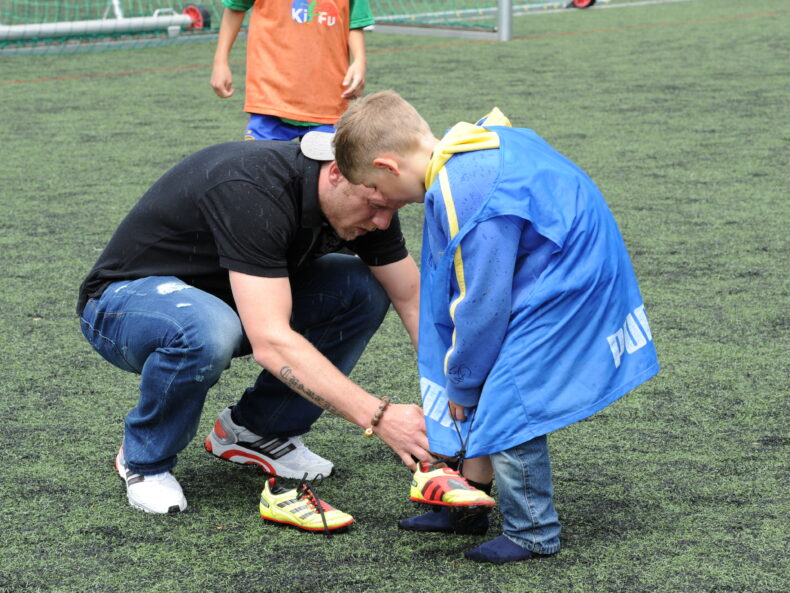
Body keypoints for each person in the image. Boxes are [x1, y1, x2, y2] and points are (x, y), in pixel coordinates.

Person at [331, 90, 660, 564]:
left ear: (387, 166)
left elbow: (480, 305)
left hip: (572, 279)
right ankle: (470, 503)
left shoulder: (464, 190)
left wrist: (462, 383)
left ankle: (533, 531)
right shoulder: (469, 147)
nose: (381, 210)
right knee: (489, 379)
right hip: (566, 260)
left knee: (509, 393)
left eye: (375, 192)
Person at [76, 135, 432, 516]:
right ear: (335, 174)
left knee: (362, 288)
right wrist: (380, 417)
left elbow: (410, 299)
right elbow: (271, 343)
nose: (382, 221)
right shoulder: (253, 187)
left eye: (393, 209)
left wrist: (453, 404)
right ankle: (143, 459)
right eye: (377, 206)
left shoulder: (370, 198)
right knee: (206, 328)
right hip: (123, 303)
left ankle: (258, 431)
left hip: (229, 298)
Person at [210, 0, 373, 140]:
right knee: (261, 171)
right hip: (270, 97)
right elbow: (236, 7)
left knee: (326, 175)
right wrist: (220, 61)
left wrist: (359, 60)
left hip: (326, 101)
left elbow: (354, 21)